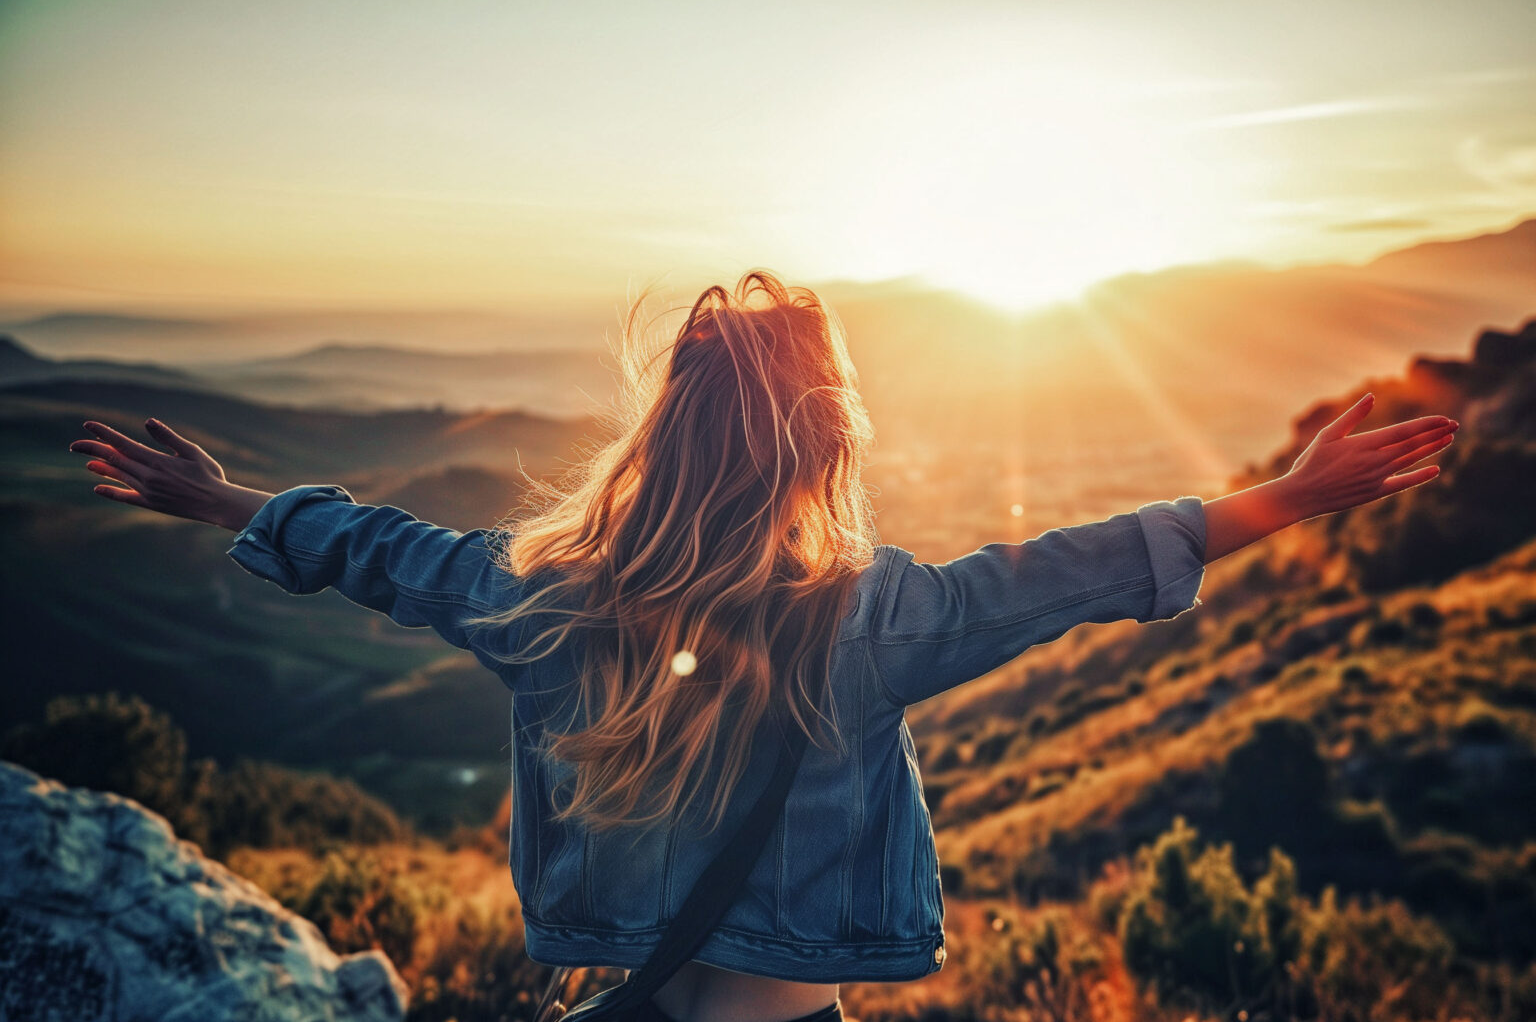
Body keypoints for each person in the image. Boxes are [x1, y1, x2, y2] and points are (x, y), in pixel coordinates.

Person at [67, 271, 1458, 1022]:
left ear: (659, 437)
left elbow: (385, 553)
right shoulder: (875, 619)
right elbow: (1072, 571)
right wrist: (1294, 495)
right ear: (830, 448)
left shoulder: (543, 598)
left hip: (626, 988)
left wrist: (227, 498)